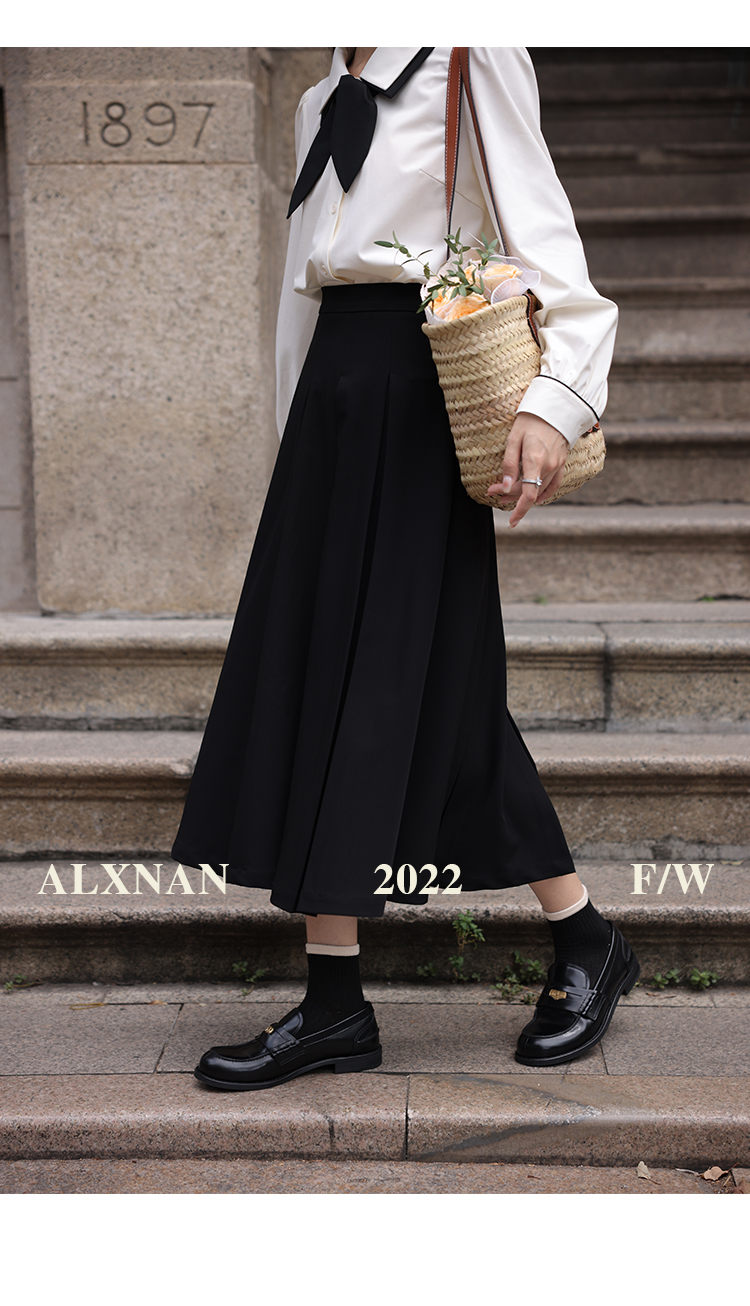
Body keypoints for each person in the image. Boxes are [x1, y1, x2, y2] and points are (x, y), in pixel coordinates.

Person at [171, 46, 640, 1091]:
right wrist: (297, 439)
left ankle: (388, 989)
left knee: (391, 680)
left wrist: (556, 401)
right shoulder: (317, 99)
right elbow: (304, 289)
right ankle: (377, 991)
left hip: (423, 388)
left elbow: (549, 244)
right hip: (335, 404)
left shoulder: (470, 49)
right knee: (360, 675)